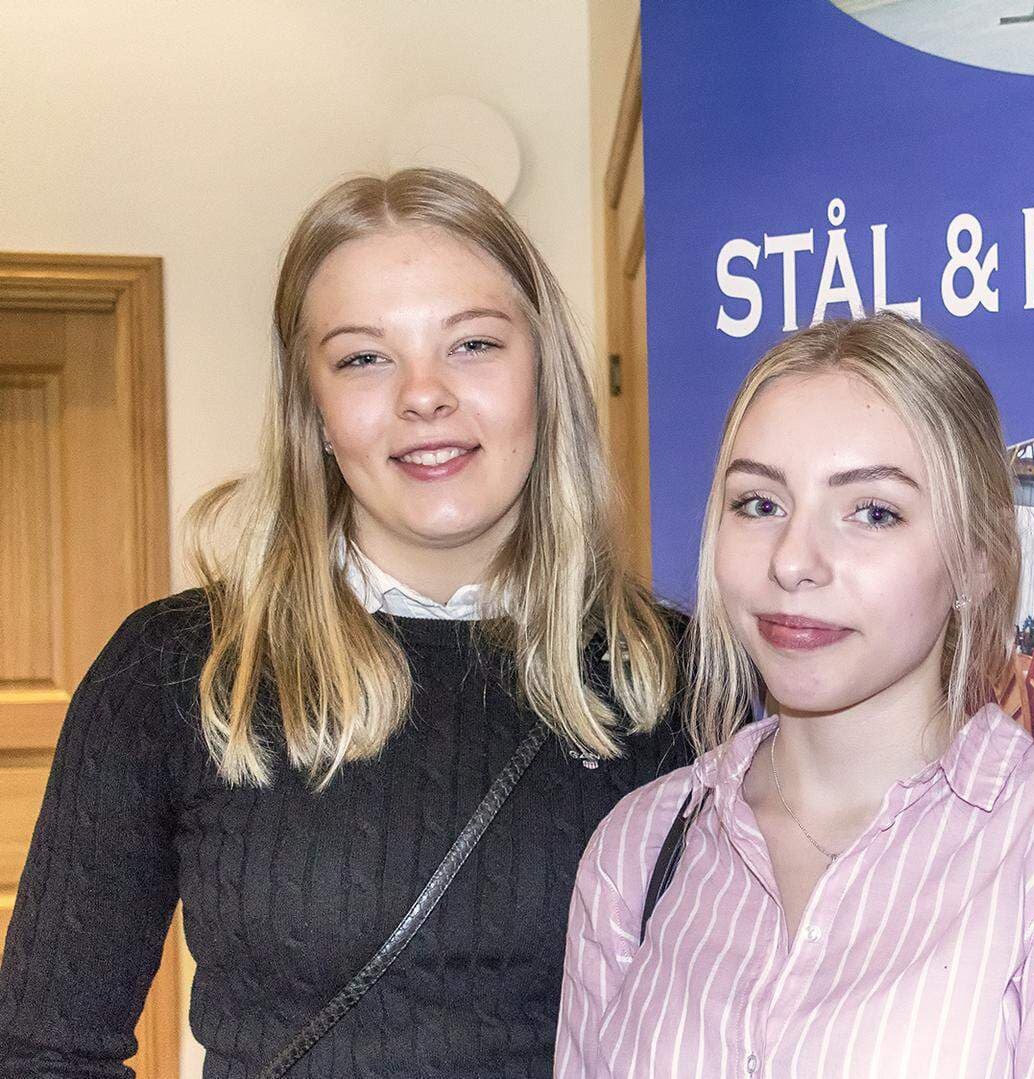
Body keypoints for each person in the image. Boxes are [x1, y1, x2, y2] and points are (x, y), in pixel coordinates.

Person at [0, 168, 689, 1077]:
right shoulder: (177, 671)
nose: (424, 394)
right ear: (314, 412)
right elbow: (45, 1051)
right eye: (364, 357)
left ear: (544, 376)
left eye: (474, 344)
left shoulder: (670, 675)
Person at [556, 312, 1034, 1076]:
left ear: (976, 558)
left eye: (872, 511)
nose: (794, 560)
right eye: (759, 503)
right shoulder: (637, 849)